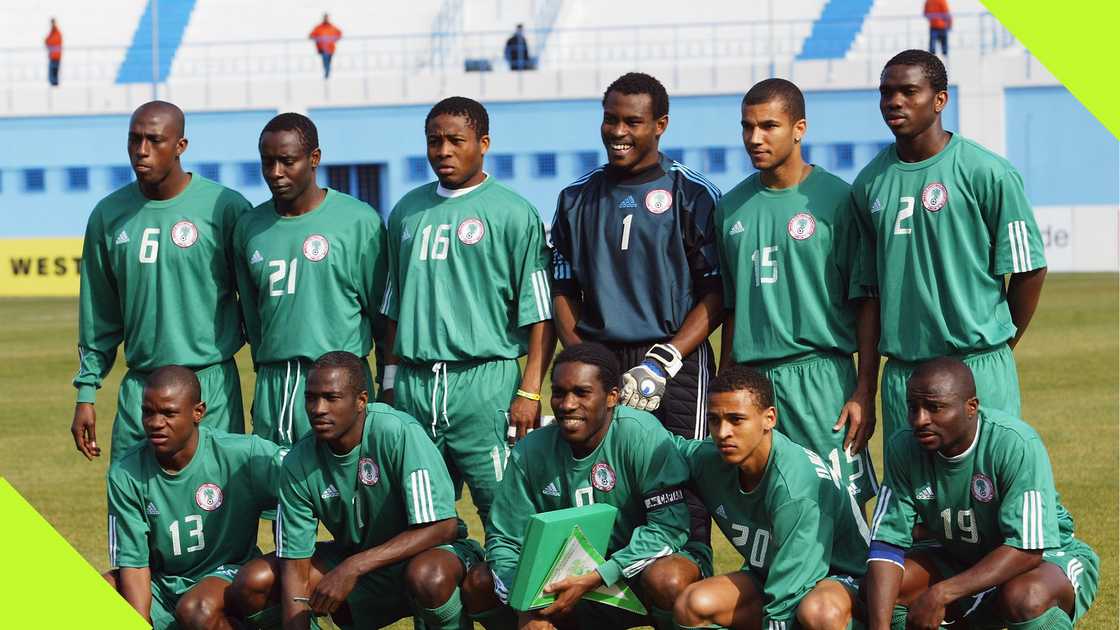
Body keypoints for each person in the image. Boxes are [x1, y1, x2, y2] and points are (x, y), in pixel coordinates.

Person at [550, 71, 721, 546]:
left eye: (632, 122)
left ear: (660, 124)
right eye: (610, 120)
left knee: (682, 477)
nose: (618, 132)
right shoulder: (575, 198)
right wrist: (584, 358)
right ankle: (602, 595)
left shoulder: (693, 193)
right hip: (600, 356)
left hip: (673, 362)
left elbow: (716, 293)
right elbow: (561, 289)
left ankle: (684, 591)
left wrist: (665, 360)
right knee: (600, 478)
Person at [850, 50, 1047, 458]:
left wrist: (998, 345)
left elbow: (1029, 268)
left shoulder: (986, 172)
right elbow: (869, 293)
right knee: (918, 502)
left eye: (908, 91)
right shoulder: (869, 184)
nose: (894, 102)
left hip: (978, 365)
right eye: (886, 93)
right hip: (905, 372)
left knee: (991, 491)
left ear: (939, 100)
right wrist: (865, 385)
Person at [379, 96, 554, 529]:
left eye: (456, 141)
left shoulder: (514, 213)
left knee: (505, 515)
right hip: (416, 386)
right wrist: (389, 383)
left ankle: (516, 596)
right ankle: (440, 598)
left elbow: (540, 315)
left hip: (486, 384)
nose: (443, 152)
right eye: (434, 141)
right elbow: (392, 313)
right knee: (411, 518)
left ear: (483, 143)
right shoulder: (406, 212)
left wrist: (530, 391)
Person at [715, 78, 880, 512]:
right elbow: (732, 308)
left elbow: (865, 301)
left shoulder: (838, 200)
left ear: (799, 128)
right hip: (754, 382)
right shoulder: (730, 207)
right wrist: (726, 381)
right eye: (747, 126)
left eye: (769, 125)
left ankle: (849, 582)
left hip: (820, 377)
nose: (755, 138)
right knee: (768, 506)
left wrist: (865, 388)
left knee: (838, 505)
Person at [461, 343, 708, 629]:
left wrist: (600, 575)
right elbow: (504, 540)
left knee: (668, 579)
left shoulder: (641, 435)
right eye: (559, 392)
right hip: (565, 580)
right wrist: (526, 607)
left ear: (612, 397)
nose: (567, 404)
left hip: (637, 570)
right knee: (479, 582)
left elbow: (668, 529)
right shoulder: (530, 451)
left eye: (582, 392)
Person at [230, 351, 482, 630]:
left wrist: (354, 566)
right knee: (256, 581)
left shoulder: (397, 431)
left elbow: (443, 527)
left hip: (428, 555)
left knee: (428, 576)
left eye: (331, 397)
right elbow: (294, 566)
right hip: (359, 561)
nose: (318, 409)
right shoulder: (298, 462)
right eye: (311, 397)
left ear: (361, 401)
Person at [72, 101, 251, 462]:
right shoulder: (108, 216)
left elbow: (255, 304)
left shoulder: (226, 208)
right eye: (134, 140)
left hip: (209, 386)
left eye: (154, 140)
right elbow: (98, 314)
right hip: (142, 388)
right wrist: (86, 392)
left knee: (222, 507)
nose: (141, 151)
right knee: (132, 506)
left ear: (181, 146)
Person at [864, 358, 1099, 630]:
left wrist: (944, 592)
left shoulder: (1015, 444)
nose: (920, 420)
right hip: (960, 556)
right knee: (881, 590)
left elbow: (1028, 548)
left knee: (1025, 598)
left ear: (971, 407)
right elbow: (886, 543)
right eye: (912, 408)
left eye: (934, 408)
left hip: (1045, 557)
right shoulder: (903, 447)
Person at [233, 113, 387, 456]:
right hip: (276, 384)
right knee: (276, 498)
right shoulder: (249, 227)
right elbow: (254, 318)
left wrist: (387, 385)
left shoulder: (359, 221)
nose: (276, 173)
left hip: (341, 383)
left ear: (314, 158)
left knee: (351, 495)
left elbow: (382, 316)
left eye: (287, 162)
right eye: (267, 162)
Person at [672, 364, 869, 630]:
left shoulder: (794, 487)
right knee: (694, 604)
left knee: (818, 613)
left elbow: (786, 601)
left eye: (736, 419)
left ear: (769, 419)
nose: (722, 432)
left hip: (844, 580)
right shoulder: (710, 458)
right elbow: (665, 449)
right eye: (714, 420)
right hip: (773, 573)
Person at [104, 366, 284, 630]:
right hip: (165, 585)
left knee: (196, 609)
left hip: (229, 575)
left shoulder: (241, 455)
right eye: (148, 412)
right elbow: (134, 563)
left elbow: (305, 482)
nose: (155, 423)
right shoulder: (125, 473)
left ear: (198, 412)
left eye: (169, 413)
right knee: (99, 593)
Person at [309, 13, 342, 78]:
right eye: (325, 18)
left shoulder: (332, 27)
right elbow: (311, 35)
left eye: (327, 18)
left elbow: (339, 33)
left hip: (331, 48)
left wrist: (335, 39)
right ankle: (327, 71)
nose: (326, 19)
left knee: (328, 61)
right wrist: (316, 38)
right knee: (325, 59)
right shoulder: (318, 27)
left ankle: (327, 71)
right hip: (322, 48)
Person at [44, 18, 62, 86]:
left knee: (54, 71)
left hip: (56, 56)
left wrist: (48, 42)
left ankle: (55, 84)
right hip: (52, 56)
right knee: (53, 71)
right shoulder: (52, 32)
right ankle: (53, 83)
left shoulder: (56, 32)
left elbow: (50, 41)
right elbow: (47, 41)